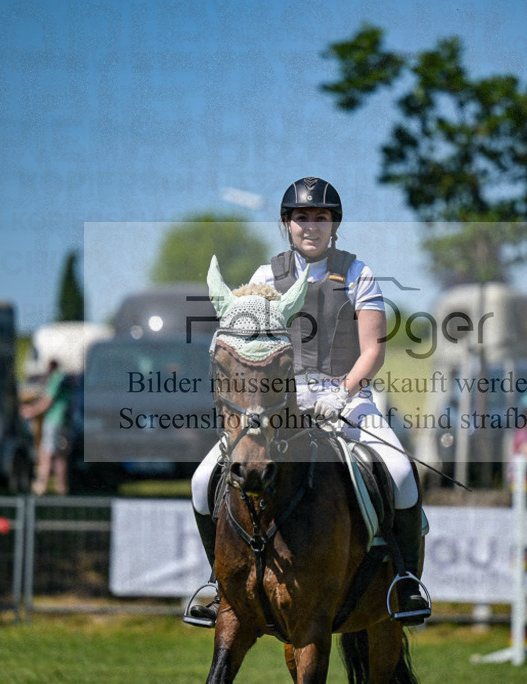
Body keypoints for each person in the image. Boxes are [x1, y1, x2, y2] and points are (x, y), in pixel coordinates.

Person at [186, 177, 430, 627]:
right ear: (287, 224)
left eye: (321, 218)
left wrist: (342, 393)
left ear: (334, 224)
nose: (311, 226)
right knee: (204, 481)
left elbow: (373, 350)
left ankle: (406, 581)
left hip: (347, 397)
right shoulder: (265, 277)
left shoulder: (359, 273)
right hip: (280, 403)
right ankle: (218, 583)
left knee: (401, 474)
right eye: (302, 218)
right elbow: (246, 348)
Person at [21, 359, 71, 496]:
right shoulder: (63, 377)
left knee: (46, 454)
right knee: (60, 456)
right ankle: (62, 489)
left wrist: (30, 411)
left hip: (54, 421)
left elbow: (47, 401)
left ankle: (40, 488)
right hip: (63, 422)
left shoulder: (56, 377)